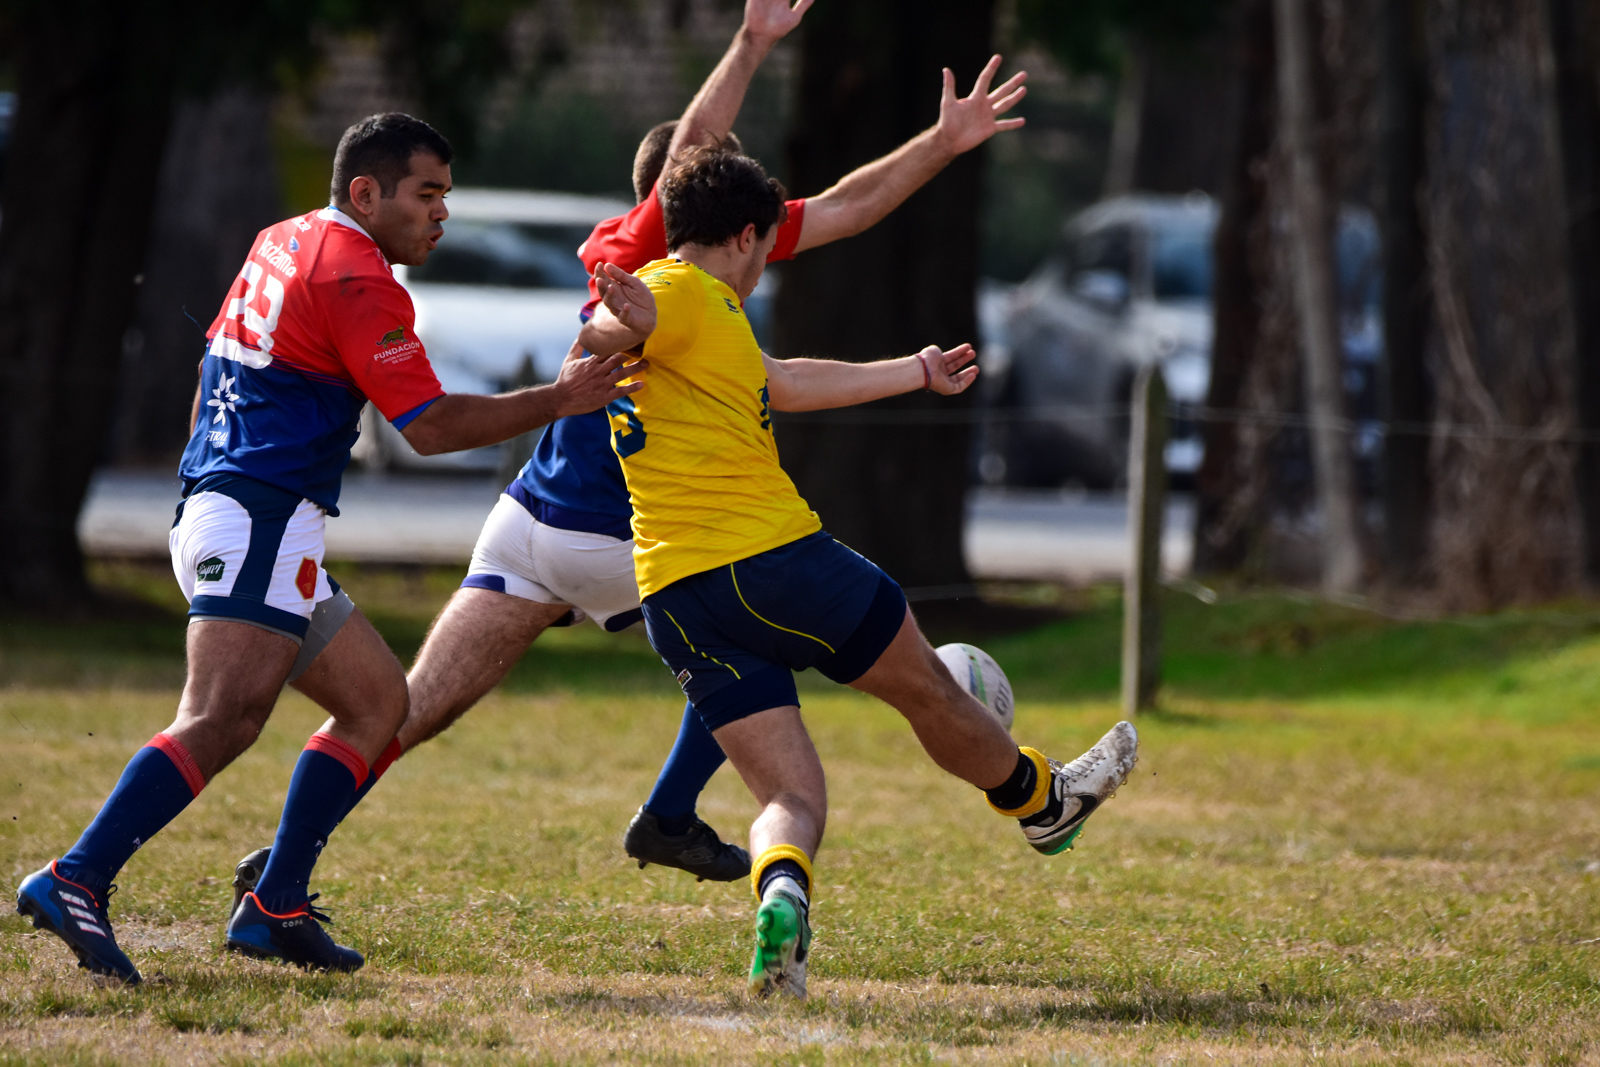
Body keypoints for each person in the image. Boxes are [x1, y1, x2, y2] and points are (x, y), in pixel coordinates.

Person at [224, 0, 1034, 899]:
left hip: (528, 521)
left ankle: (285, 859)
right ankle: (673, 813)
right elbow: (762, 175)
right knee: (758, 639)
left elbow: (844, 209)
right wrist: (754, 44)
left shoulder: (692, 269)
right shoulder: (656, 251)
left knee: (410, 708)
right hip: (629, 540)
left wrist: (940, 141)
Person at [14, 113, 641, 983]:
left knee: (378, 702)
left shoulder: (283, 238)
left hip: (250, 514)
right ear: (366, 193)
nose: (441, 213)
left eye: (446, 196)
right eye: (427, 194)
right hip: (258, 519)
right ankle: (75, 876)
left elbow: (209, 366)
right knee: (223, 715)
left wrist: (210, 484)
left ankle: (275, 903)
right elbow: (430, 426)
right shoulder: (357, 276)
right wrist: (560, 398)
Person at [579, 145, 1139, 999]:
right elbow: (627, 322)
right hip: (774, 560)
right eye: (767, 247)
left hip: (677, 595)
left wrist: (914, 370)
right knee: (929, 689)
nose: (767, 265)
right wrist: (616, 319)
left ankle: (782, 902)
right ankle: (1042, 801)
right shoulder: (683, 292)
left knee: (791, 793)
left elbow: (784, 381)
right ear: (744, 236)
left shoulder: (705, 323)